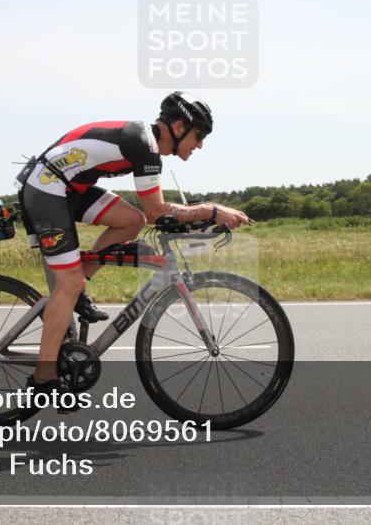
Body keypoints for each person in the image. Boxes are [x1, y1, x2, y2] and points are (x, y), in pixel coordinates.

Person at [14, 92, 250, 391]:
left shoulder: (146, 142)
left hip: (69, 186)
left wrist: (201, 216)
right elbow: (157, 212)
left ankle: (77, 287)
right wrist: (211, 211)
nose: (200, 144)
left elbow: (149, 216)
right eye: (199, 135)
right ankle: (43, 378)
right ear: (178, 127)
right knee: (69, 283)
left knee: (131, 221)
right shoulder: (145, 146)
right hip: (47, 188)